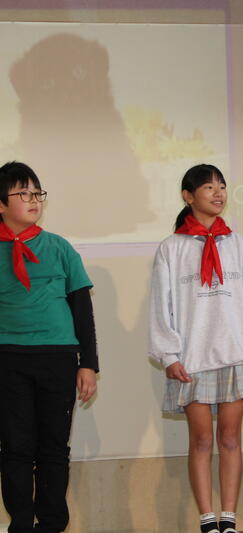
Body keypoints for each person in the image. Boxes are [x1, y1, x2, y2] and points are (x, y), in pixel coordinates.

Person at [149, 164, 243, 533]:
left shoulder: (239, 244)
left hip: (235, 354)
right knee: (202, 439)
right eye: (208, 187)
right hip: (193, 359)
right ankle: (207, 520)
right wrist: (169, 355)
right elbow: (161, 305)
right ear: (188, 196)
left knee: (231, 438)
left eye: (222, 186)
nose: (218, 193)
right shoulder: (171, 248)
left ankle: (229, 519)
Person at [0, 161, 98, 533]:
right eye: (22, 193)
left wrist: (88, 363)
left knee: (54, 447)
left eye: (37, 193)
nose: (33, 200)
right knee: (15, 447)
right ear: (1, 204)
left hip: (57, 357)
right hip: (7, 358)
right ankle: (21, 524)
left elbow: (82, 308)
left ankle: (53, 524)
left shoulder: (59, 247)